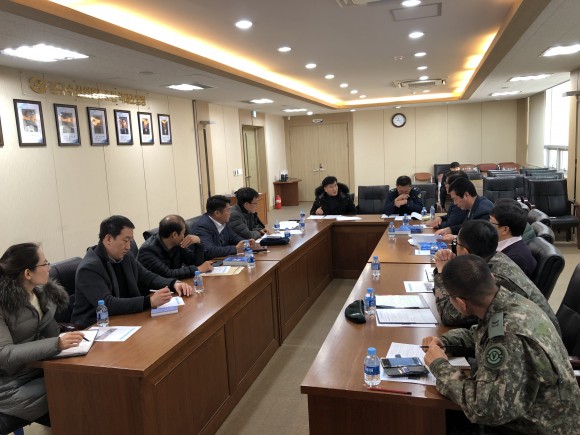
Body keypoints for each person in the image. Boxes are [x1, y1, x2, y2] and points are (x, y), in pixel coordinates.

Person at [423, 255, 580, 434]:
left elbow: (485, 409)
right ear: (492, 278)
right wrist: (446, 341)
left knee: (432, 421)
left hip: (536, 428)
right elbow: (480, 333)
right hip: (528, 412)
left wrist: (439, 366)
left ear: (460, 303)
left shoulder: (510, 337)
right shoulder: (510, 302)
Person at [0, 243, 85, 426]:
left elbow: (52, 334)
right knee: (78, 391)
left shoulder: (40, 294)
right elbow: (5, 354)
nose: (49, 268)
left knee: (88, 382)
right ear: (27, 273)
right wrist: (56, 344)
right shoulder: (3, 304)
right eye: (45, 263)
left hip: (39, 370)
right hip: (10, 386)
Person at [432, 220, 560, 335]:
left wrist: (441, 273)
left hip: (531, 341)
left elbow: (449, 315)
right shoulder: (495, 259)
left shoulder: (494, 279)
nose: (454, 247)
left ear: (465, 252)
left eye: (456, 243)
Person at [72, 215, 192, 328]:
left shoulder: (125, 256)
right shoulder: (89, 268)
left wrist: (174, 283)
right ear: (108, 239)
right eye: (126, 240)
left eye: (131, 241)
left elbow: (148, 277)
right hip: (94, 328)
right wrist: (149, 301)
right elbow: (108, 304)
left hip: (125, 318)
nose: (129, 247)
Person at [137, 215, 213, 278]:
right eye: (183, 232)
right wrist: (198, 269)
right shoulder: (147, 251)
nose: (184, 236)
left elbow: (195, 262)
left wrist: (198, 242)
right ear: (174, 235)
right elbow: (167, 274)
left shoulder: (176, 244)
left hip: (174, 284)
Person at [192, 195, 259, 260]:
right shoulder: (202, 226)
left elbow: (233, 237)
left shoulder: (222, 221)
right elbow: (209, 250)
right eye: (228, 210)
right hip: (210, 263)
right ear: (217, 213)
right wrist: (235, 249)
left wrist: (246, 242)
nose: (230, 213)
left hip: (221, 259)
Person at [490, 199, 537, 278]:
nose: (488, 226)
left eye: (491, 223)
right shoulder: (509, 245)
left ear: (505, 229)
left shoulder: (514, 259)